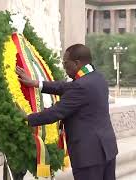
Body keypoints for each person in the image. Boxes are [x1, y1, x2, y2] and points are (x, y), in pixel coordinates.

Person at [16, 44, 118, 180]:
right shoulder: (97, 78)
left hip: (89, 155)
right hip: (107, 150)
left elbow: (56, 112)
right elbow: (65, 86)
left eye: (65, 63)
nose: (64, 67)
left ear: (76, 63)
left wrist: (27, 118)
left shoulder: (81, 86)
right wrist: (36, 83)